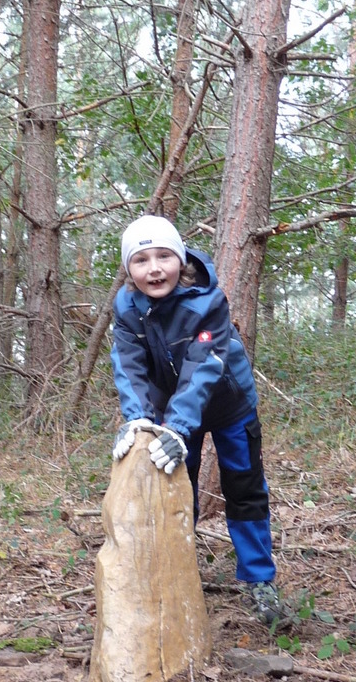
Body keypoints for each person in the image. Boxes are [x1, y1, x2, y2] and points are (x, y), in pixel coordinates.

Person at [109, 213, 280, 626]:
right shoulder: (127, 307)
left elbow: (204, 367)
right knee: (175, 492)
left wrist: (177, 430)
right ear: (129, 270)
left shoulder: (208, 301)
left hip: (229, 407)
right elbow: (128, 364)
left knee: (245, 489)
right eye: (141, 259)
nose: (154, 268)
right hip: (172, 415)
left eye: (164, 256)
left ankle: (260, 581)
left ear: (180, 258)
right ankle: (176, 573)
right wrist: (138, 421)